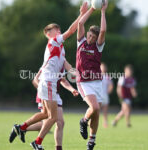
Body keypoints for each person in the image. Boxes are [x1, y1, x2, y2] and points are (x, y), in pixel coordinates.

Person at [9, 3, 88, 150]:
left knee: (46, 114)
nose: (58, 30)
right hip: (48, 82)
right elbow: (72, 30)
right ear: (48, 33)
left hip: (48, 82)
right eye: (54, 29)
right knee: (53, 117)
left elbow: (68, 67)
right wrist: (82, 13)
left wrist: (80, 76)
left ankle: (21, 127)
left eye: (58, 28)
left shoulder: (60, 49)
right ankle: (37, 142)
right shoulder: (53, 41)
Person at [9, 61, 79, 150]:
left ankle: (22, 128)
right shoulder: (48, 64)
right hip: (46, 94)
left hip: (55, 95)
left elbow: (63, 80)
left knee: (58, 122)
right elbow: (35, 79)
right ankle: (25, 132)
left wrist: (72, 89)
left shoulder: (60, 64)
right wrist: (43, 89)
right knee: (49, 120)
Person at [75, 1, 108, 150]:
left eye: (92, 38)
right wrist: (93, 8)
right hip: (84, 82)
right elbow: (81, 23)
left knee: (97, 113)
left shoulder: (98, 46)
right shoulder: (81, 42)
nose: (90, 38)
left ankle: (91, 142)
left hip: (97, 82)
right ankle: (83, 121)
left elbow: (102, 32)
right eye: (89, 35)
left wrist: (103, 12)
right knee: (94, 107)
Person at [101, 63, 113, 128]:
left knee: (105, 111)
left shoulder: (108, 77)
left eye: (104, 67)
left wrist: (109, 90)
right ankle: (89, 121)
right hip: (98, 95)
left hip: (105, 95)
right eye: (101, 67)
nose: (103, 68)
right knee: (94, 110)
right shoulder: (96, 76)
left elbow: (111, 85)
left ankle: (105, 123)